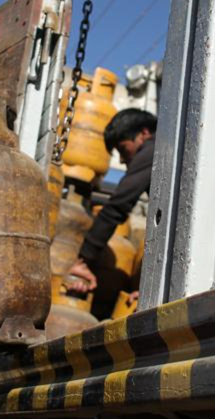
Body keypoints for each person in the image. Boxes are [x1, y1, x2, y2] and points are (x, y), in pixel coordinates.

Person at [66, 108, 156, 294]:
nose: (123, 160)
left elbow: (117, 207)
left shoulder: (153, 150)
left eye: (123, 150)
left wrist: (83, 260)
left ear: (144, 133)